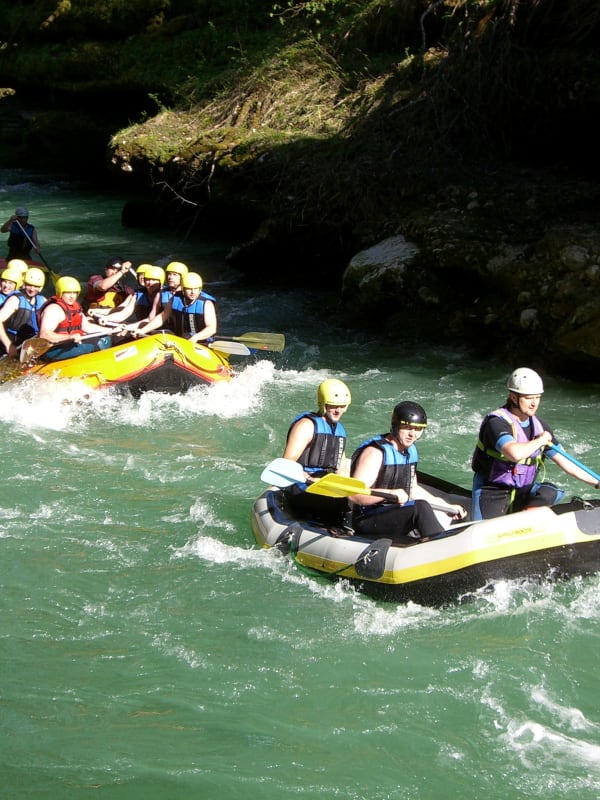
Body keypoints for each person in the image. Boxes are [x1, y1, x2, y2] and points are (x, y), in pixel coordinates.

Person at [471, 367, 600, 520]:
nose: (534, 403)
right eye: (529, 398)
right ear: (513, 397)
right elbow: (514, 453)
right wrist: (540, 441)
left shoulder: (540, 427)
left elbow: (566, 462)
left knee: (549, 492)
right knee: (484, 533)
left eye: (537, 397)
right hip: (493, 492)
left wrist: (597, 483)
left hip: (523, 491)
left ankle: (525, 521)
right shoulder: (497, 423)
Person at [350, 401, 466, 544]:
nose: (413, 434)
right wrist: (390, 493)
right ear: (395, 426)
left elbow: (412, 489)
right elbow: (355, 495)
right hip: (367, 518)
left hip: (394, 512)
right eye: (407, 427)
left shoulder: (410, 451)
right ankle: (441, 549)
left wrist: (445, 506)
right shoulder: (375, 453)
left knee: (454, 511)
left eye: (418, 429)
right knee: (419, 508)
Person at [280, 379, 352, 527]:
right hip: (301, 485)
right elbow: (286, 463)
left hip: (325, 485)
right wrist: (309, 478)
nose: (338, 410)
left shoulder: (340, 431)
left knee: (348, 503)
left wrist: (349, 489)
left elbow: (341, 469)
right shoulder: (306, 426)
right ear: (323, 403)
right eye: (334, 405)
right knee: (327, 502)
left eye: (342, 406)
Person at [37, 276, 111, 362]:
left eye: (74, 293)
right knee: (101, 342)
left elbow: (87, 327)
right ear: (60, 293)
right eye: (68, 293)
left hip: (69, 344)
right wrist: (69, 336)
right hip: (53, 350)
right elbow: (44, 335)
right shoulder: (54, 309)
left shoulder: (75, 307)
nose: (72, 296)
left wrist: (110, 330)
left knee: (105, 337)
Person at [128, 271, 217, 343]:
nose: (193, 292)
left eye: (196, 289)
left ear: (200, 289)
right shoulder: (175, 299)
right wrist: (143, 330)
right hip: (181, 339)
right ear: (183, 289)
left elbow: (211, 328)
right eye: (189, 289)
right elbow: (162, 317)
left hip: (201, 341)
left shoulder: (206, 303)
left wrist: (196, 337)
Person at [0, 266, 47, 357]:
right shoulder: (15, 300)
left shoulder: (43, 301)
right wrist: (8, 345)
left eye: (36, 286)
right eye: (29, 285)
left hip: (30, 345)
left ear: (41, 288)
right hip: (10, 344)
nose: (32, 289)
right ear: (24, 284)